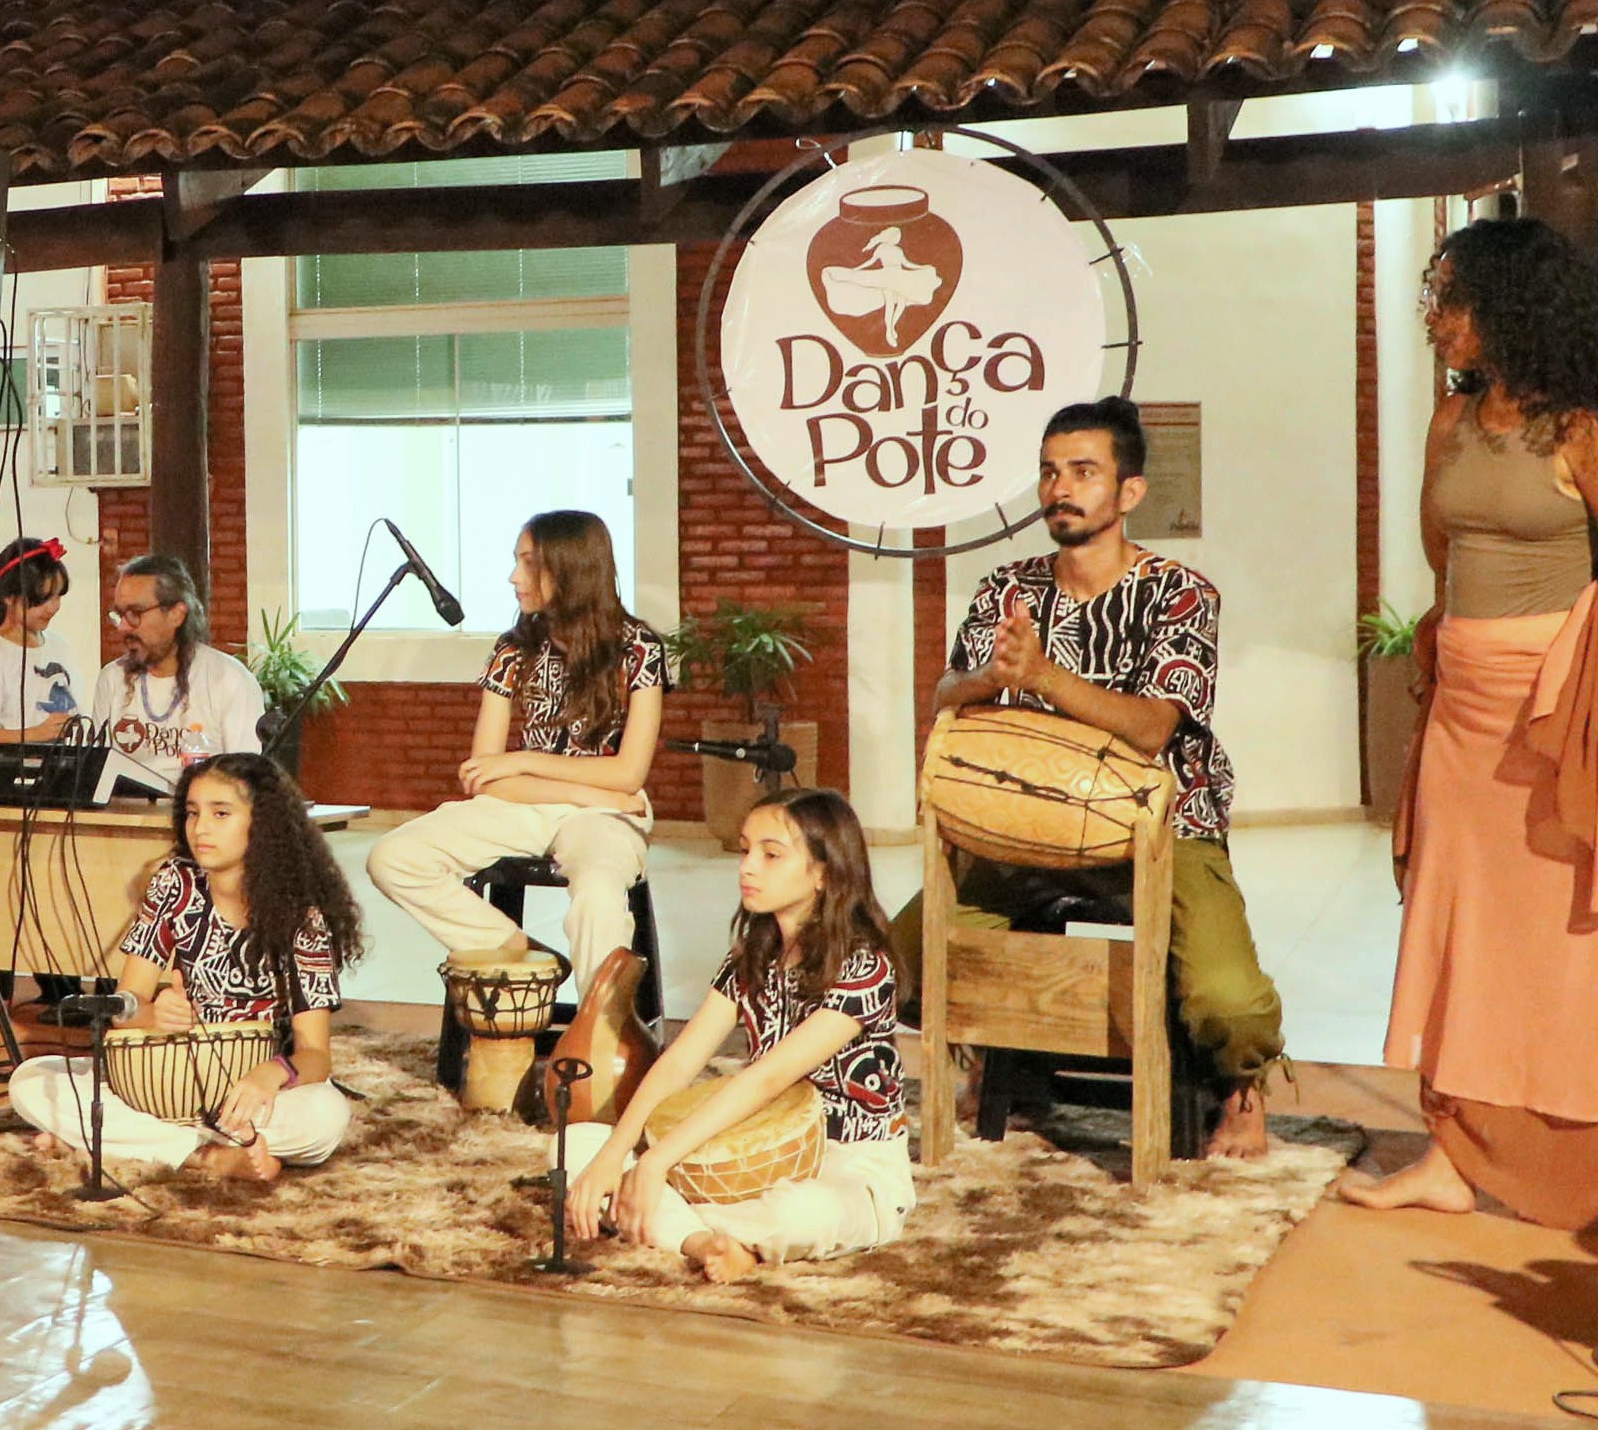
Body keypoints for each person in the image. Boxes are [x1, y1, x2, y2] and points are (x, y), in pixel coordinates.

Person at [1342, 218, 1598, 1228]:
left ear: (1512, 306)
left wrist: (1568, 657)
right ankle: (1453, 1156)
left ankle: (1575, 1158)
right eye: (1433, 297)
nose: (1434, 318)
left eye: (1449, 298)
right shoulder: (1450, 421)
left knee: (1568, 937)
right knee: (1465, 930)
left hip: (1553, 714)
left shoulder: (1588, 431)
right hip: (1462, 713)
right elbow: (1441, 549)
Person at [900, 398, 1285, 1160]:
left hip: (1161, 831)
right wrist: (990, 677)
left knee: (1227, 1000)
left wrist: (1042, 675)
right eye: (1049, 472)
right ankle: (1002, 1050)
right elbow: (947, 692)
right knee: (901, 958)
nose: (1059, 488)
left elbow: (1152, 727)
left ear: (1128, 491)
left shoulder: (1180, 593)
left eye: (1082, 471)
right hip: (1022, 829)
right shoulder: (1006, 587)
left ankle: (1242, 1086)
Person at [563, 788, 915, 1277]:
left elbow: (767, 1078)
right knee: (577, 1144)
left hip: (847, 1163)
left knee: (805, 1212)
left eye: (771, 855)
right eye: (746, 850)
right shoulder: (751, 958)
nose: (747, 867)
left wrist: (655, 1162)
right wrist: (615, 1153)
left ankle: (681, 1225)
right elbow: (679, 1061)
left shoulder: (866, 968)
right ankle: (708, 1242)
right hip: (752, 1154)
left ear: (824, 872)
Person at [7, 752, 361, 1180]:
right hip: (166, 1078)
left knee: (325, 1117)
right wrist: (155, 1014)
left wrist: (271, 1074)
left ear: (263, 822)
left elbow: (316, 1056)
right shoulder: (175, 882)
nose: (200, 828)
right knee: (32, 1080)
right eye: (192, 813)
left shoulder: (302, 914)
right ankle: (205, 1156)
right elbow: (125, 1009)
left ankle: (109, 1140)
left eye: (220, 813)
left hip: (251, 1091)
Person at [365, 510, 664, 997]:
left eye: (528, 563)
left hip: (603, 818)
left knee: (598, 893)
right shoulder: (512, 649)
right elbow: (483, 776)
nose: (513, 577)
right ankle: (519, 953)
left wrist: (522, 760)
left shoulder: (639, 648)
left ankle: (599, 1026)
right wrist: (594, 793)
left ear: (569, 569)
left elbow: (628, 773)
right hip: (553, 805)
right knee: (393, 857)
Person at [90, 553, 266, 797]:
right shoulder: (112, 678)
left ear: (176, 613)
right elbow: (96, 774)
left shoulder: (229, 680)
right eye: (119, 614)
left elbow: (245, 783)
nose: (123, 627)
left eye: (135, 613)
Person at [0, 536, 81, 743]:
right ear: (9, 597)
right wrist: (38, 733)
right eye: (42, 599)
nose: (52, 608)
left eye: (57, 596)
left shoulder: (60, 646)